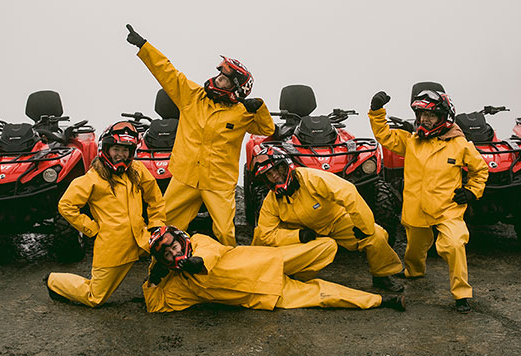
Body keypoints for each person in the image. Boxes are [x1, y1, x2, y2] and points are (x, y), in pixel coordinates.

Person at [125, 24, 274, 246]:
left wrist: (258, 108)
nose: (216, 79)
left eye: (223, 79)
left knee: (225, 234)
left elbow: (266, 130)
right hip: (184, 177)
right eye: (219, 75)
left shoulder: (243, 112)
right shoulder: (191, 96)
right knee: (165, 226)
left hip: (219, 183)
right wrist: (144, 46)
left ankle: (229, 272)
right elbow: (166, 71)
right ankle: (159, 267)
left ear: (235, 88)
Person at [368, 89, 488, 313]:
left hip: (447, 210)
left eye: (430, 115)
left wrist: (472, 191)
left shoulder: (459, 144)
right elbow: (383, 134)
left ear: (444, 117)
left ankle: (461, 294)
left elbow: (480, 170)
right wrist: (376, 111)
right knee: (415, 249)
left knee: (454, 245)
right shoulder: (411, 142)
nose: (424, 119)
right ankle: (414, 270)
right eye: (421, 114)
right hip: (415, 210)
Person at [142, 226, 406, 312]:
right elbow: (156, 305)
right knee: (325, 295)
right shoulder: (180, 285)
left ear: (181, 239)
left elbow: (208, 254)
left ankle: (366, 252)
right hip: (268, 295)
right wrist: (154, 279)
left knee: (326, 246)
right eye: (167, 254)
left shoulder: (200, 242)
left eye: (173, 246)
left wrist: (195, 263)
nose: (174, 253)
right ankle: (383, 300)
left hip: (269, 261)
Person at [45, 121, 166, 307]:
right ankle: (54, 281)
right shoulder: (92, 179)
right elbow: (66, 205)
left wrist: (157, 226)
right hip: (113, 248)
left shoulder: (137, 170)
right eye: (116, 149)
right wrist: (92, 229)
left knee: (176, 252)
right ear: (106, 148)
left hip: (142, 240)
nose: (121, 154)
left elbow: (155, 200)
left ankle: (162, 290)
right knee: (95, 297)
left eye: (126, 150)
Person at [250, 146, 405, 291]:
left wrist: (363, 225)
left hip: (336, 222)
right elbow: (266, 233)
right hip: (306, 234)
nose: (275, 176)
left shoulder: (312, 178)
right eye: (269, 175)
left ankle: (382, 276)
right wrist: (297, 235)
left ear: (286, 165)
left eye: (277, 169)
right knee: (265, 241)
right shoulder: (271, 202)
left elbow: (348, 192)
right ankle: (295, 278)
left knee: (376, 235)